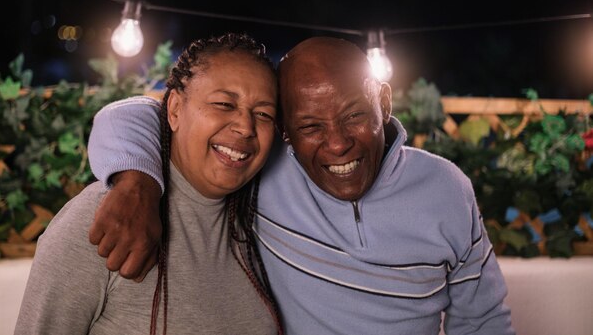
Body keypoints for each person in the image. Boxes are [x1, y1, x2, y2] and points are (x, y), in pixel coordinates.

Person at [87, 36, 516, 334]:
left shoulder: (446, 190)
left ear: (383, 103)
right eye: (310, 126)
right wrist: (136, 181)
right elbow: (134, 113)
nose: (337, 144)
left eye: (354, 115)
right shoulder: (264, 170)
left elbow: (482, 324)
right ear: (286, 131)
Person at [14, 33, 283, 335]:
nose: (246, 126)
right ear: (175, 110)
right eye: (223, 104)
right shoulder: (108, 219)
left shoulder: (260, 228)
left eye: (263, 113)